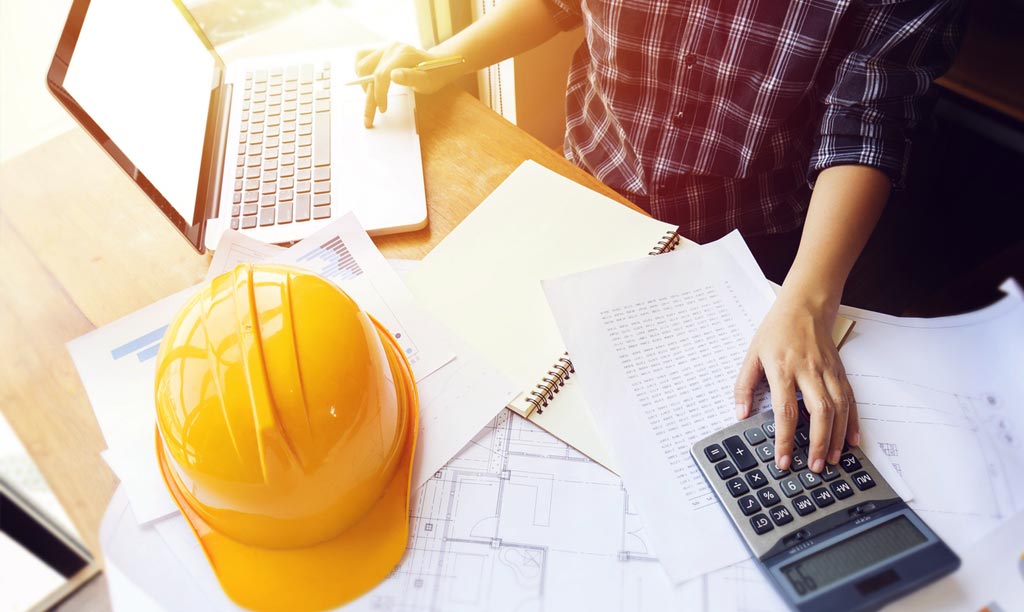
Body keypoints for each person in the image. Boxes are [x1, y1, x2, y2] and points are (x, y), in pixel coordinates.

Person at [354, 0, 966, 474]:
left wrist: (807, 299)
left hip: (755, 244)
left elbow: (869, 121)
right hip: (589, 193)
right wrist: (441, 62)